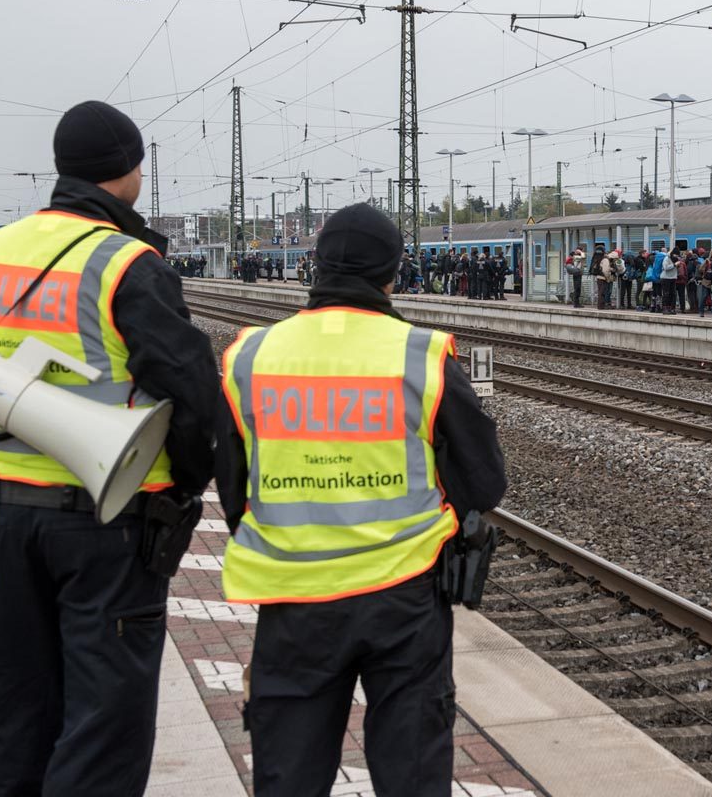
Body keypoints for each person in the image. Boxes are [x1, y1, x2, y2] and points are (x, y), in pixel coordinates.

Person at [0, 100, 217, 796]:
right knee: (104, 721)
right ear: (128, 172)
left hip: (13, 516)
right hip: (109, 523)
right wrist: (184, 489)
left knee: (17, 702)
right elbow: (191, 397)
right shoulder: (128, 263)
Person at [216, 202, 506, 797]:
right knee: (412, 773)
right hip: (402, 599)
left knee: (289, 775)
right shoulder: (420, 356)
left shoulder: (250, 356)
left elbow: (230, 485)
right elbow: (484, 481)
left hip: (293, 602)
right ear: (393, 274)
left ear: (314, 267)